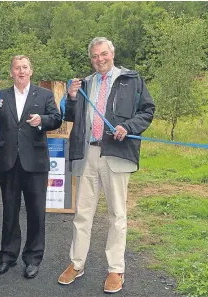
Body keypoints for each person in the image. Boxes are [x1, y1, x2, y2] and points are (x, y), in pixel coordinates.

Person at [57, 37, 155, 293]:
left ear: (112, 53)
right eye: (94, 56)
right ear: (90, 59)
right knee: (82, 213)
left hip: (116, 154)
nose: (99, 59)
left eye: (103, 54)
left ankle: (115, 270)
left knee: (117, 214)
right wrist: (71, 97)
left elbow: (147, 110)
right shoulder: (85, 83)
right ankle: (77, 263)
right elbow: (69, 117)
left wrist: (128, 127)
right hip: (88, 153)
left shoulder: (131, 80)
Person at [0, 55, 62, 279]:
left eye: (25, 67)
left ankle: (33, 258)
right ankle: (7, 256)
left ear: (31, 71)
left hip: (35, 163)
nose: (21, 71)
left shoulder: (43, 95)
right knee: (9, 212)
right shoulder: (0, 95)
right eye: (17, 68)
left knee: (36, 213)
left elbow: (56, 119)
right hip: (9, 161)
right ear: (11, 72)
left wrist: (42, 121)